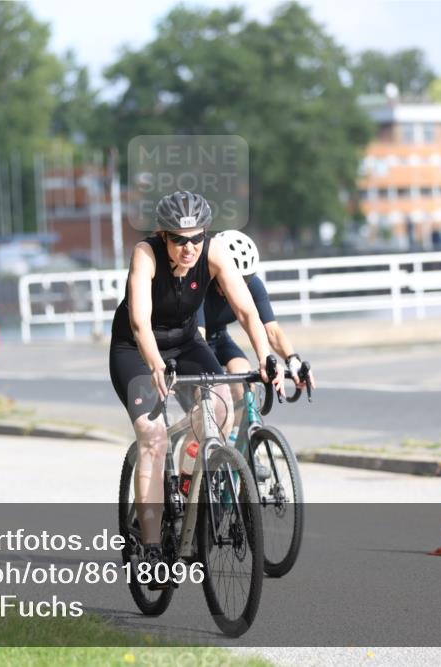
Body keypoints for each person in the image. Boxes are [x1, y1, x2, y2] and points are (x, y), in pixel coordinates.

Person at [108, 191, 281, 586]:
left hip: (186, 342)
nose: (189, 248)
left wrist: (266, 357)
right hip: (136, 348)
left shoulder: (215, 252)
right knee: (152, 437)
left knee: (219, 407)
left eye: (196, 238)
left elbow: (246, 310)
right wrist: (154, 364)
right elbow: (138, 321)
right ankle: (151, 548)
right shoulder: (145, 254)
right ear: (163, 235)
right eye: (179, 239)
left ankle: (187, 482)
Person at [197, 230, 316, 407]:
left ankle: (241, 432)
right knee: (215, 399)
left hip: (220, 339)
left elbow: (272, 330)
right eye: (236, 278)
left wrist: (292, 360)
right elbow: (199, 336)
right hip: (195, 341)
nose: (241, 285)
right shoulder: (200, 285)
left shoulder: (253, 286)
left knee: (244, 380)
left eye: (246, 279)